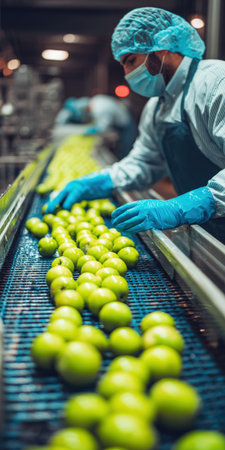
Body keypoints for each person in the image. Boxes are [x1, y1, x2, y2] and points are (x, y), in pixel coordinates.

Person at [47, 7, 225, 243]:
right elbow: (145, 162)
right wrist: (102, 180)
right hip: (208, 226)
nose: (128, 74)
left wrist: (183, 207)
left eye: (131, 61)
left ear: (162, 47)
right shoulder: (156, 107)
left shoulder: (215, 84)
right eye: (124, 65)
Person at [55, 94, 137, 158]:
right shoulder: (96, 100)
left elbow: (102, 128)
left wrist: (91, 131)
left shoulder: (100, 110)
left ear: (85, 109)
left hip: (125, 124)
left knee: (126, 148)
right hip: (118, 119)